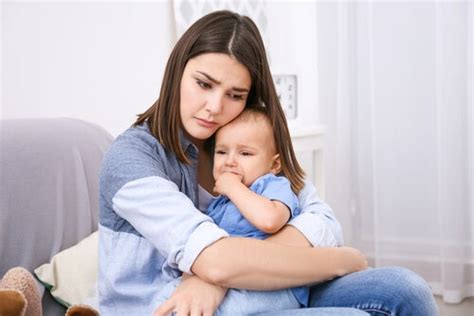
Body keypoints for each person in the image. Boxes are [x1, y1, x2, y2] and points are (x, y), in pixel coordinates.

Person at [98, 9, 438, 316]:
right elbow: (214, 260)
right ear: (176, 72)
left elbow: (323, 221)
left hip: (254, 288)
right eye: (204, 84)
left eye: (235, 94)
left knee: (407, 288)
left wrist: (222, 276)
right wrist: (339, 261)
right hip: (173, 306)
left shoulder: (242, 135)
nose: (215, 106)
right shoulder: (132, 157)